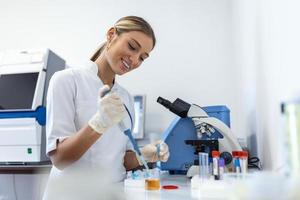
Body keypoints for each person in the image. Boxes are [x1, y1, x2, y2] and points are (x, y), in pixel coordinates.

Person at [43, 16, 169, 199]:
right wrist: (98, 124)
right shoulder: (67, 80)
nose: (134, 60)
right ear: (111, 35)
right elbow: (60, 159)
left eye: (142, 57)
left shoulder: (125, 97)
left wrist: (145, 154)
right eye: (132, 47)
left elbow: (122, 159)